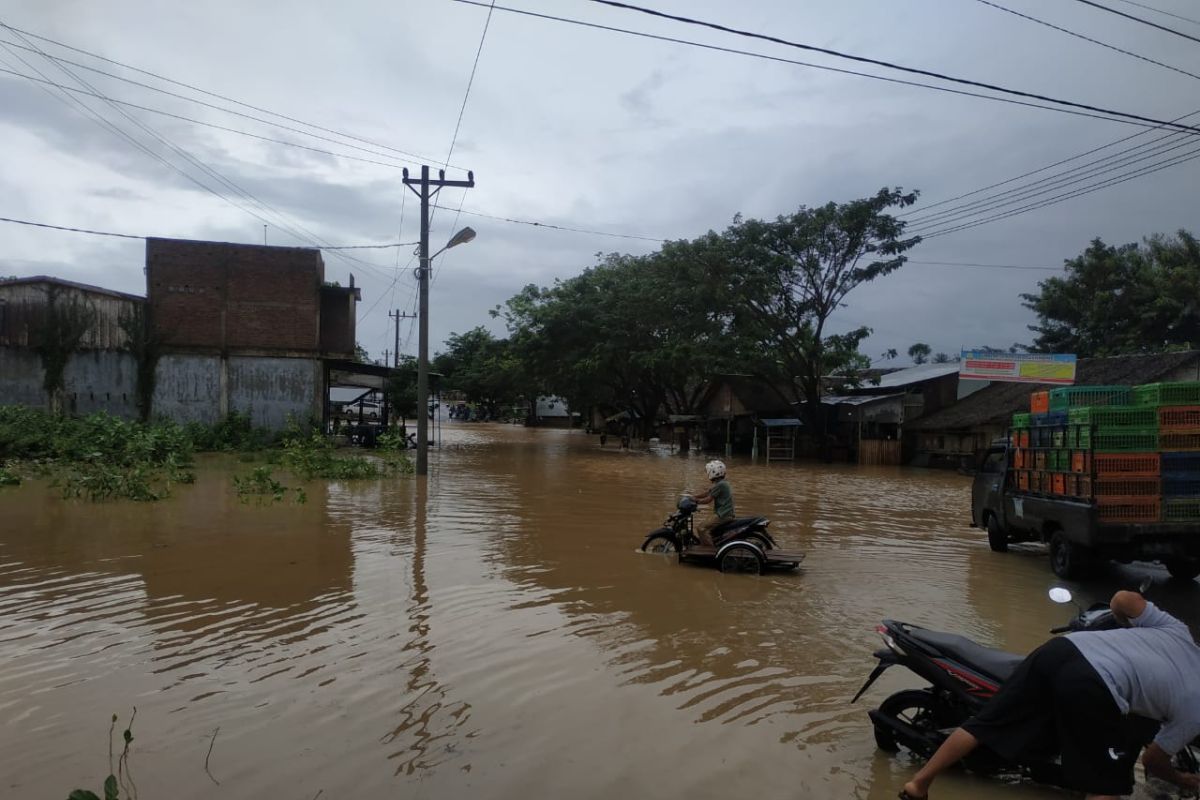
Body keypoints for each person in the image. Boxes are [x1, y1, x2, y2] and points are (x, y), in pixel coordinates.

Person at [899, 589, 1200, 800]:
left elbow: (1123, 598)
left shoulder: (1178, 632)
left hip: (1063, 649)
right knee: (1107, 786)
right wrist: (1184, 780)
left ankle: (919, 784)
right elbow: (1153, 761)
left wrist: (1123, 625)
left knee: (985, 724)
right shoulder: (1196, 709)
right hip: (1095, 682)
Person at [692, 460, 735, 546]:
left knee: (701, 528)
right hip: (725, 513)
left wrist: (696, 501)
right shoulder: (722, 483)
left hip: (723, 515)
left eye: (709, 472)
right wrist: (693, 497)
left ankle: (709, 552)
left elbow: (708, 499)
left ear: (713, 472)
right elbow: (708, 493)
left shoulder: (720, 485)